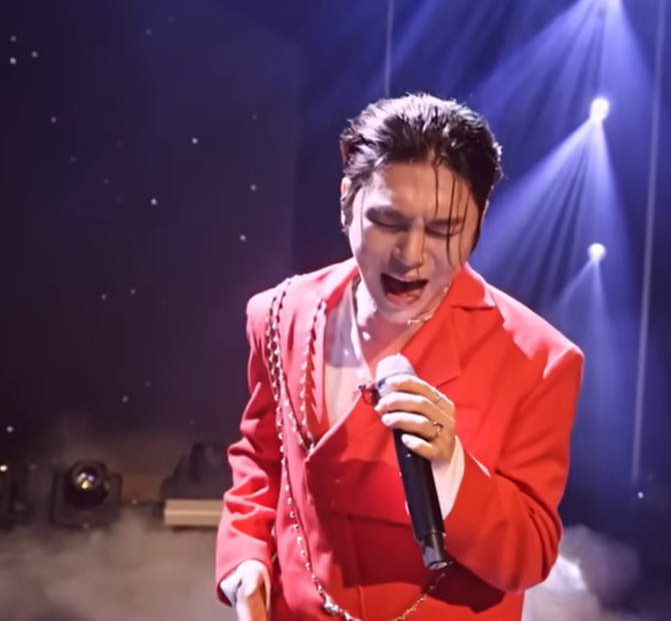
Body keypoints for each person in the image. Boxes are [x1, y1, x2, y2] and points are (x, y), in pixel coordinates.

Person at [215, 93, 583, 621]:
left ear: (479, 222)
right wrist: (246, 562)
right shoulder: (279, 314)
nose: (411, 255)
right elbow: (261, 460)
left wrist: (453, 469)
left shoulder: (537, 360)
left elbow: (528, 556)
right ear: (347, 202)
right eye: (388, 222)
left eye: (443, 231)